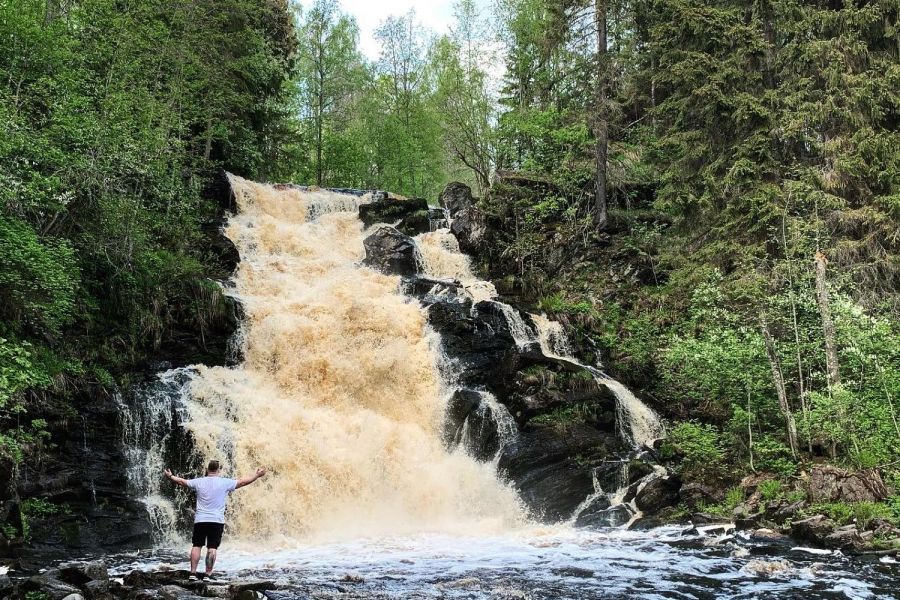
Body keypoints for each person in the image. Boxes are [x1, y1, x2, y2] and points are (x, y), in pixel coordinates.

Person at [164, 460, 267, 580]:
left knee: (196, 545)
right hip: (216, 521)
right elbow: (244, 482)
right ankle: (208, 574)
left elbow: (181, 481)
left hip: (200, 520)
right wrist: (257, 475)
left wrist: (170, 476)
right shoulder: (225, 482)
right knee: (212, 548)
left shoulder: (198, 482)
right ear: (219, 470)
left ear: (207, 470)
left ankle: (192, 573)